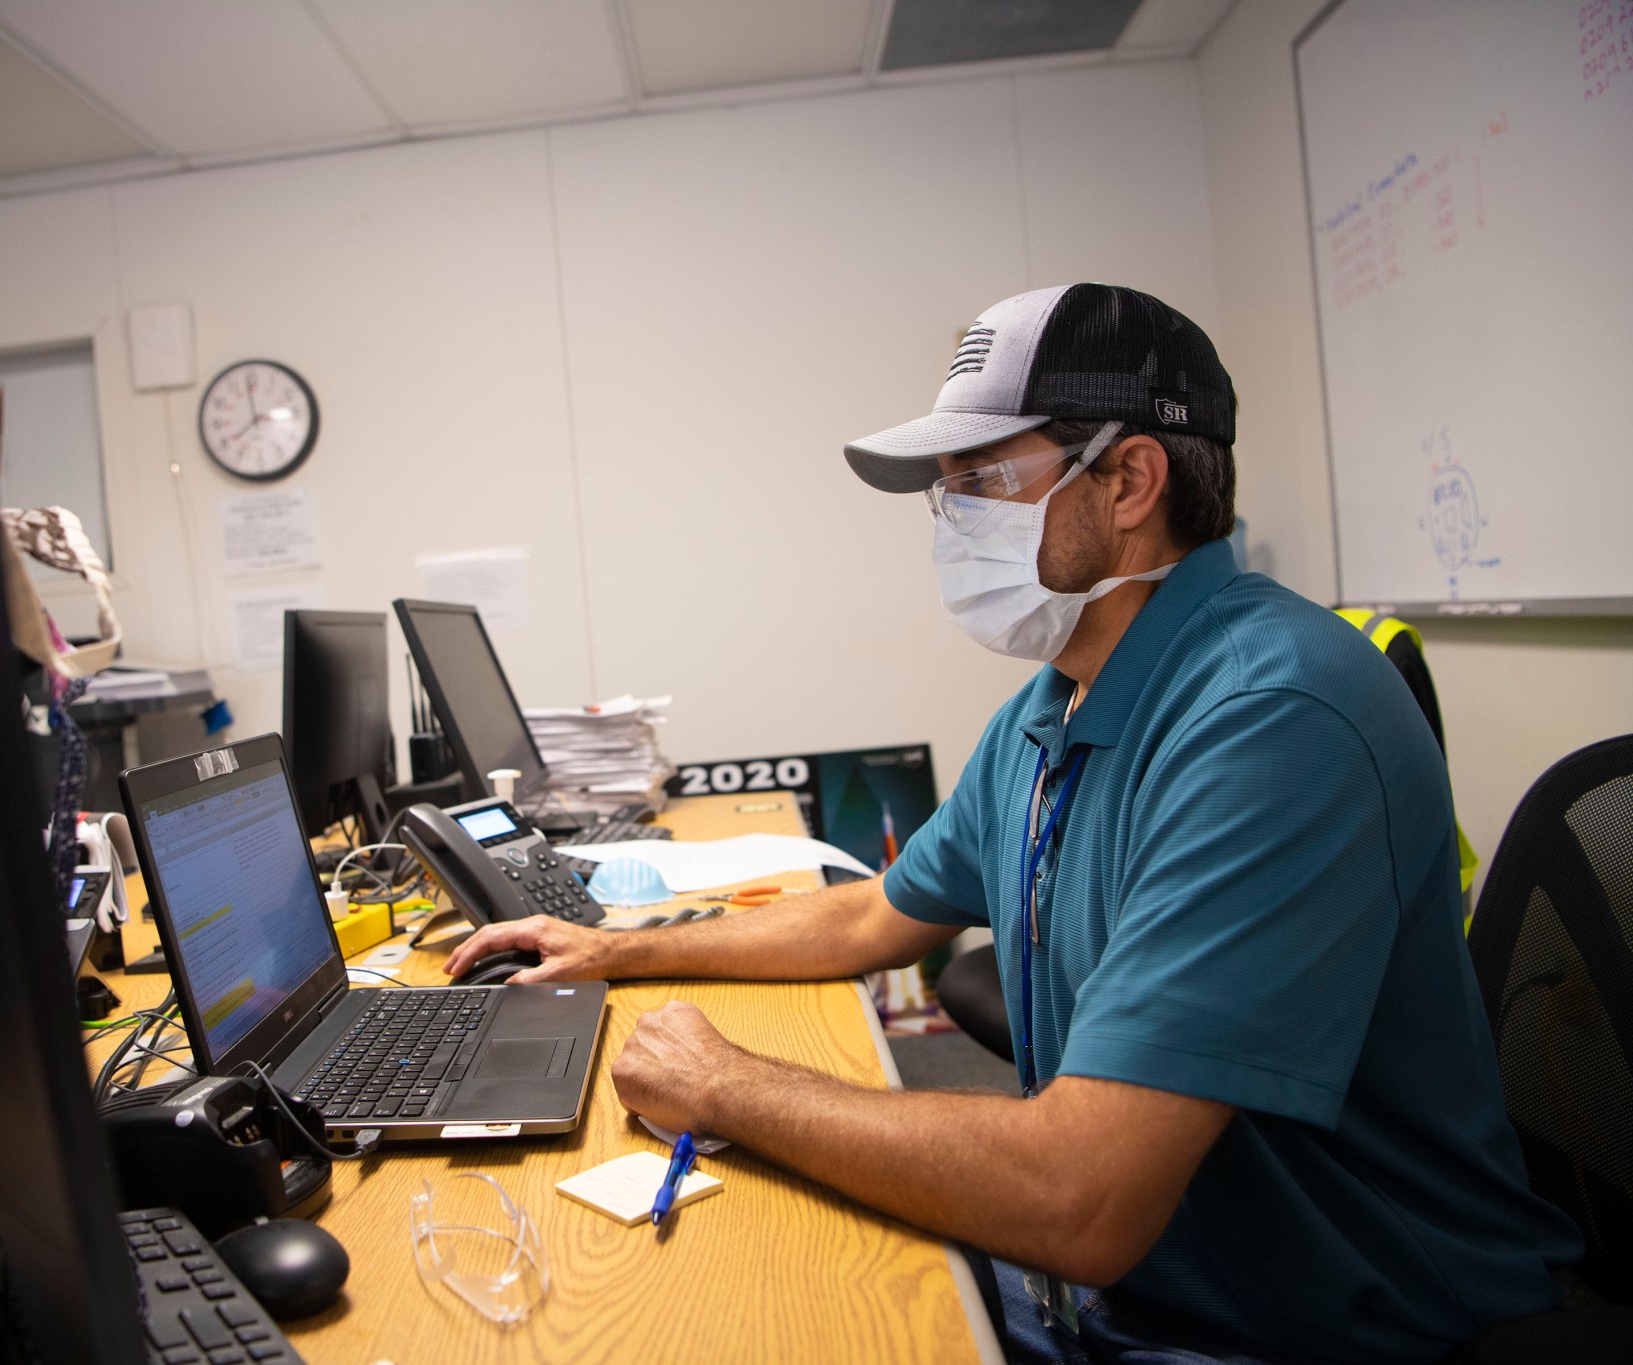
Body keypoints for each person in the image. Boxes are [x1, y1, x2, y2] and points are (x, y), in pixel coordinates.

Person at [445, 285, 1580, 1363]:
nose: (948, 522)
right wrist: (613, 950)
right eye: (945, 490)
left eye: (979, 479)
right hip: (1148, 1283)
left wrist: (727, 1086)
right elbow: (870, 921)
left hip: (1314, 1325)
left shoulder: (1270, 719)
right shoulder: (1055, 704)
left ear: (1128, 479)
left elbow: (1076, 1198)